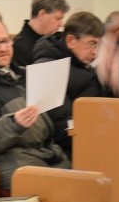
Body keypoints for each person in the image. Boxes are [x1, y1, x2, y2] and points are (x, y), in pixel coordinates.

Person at [0, 18, 69, 191]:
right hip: (10, 159)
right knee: (57, 191)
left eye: (5, 41)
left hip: (43, 150)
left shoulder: (20, 74)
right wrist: (14, 124)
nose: (3, 48)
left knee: (81, 181)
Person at [31, 10, 109, 160]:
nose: (95, 52)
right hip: (67, 153)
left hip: (90, 141)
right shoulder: (48, 69)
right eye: (91, 44)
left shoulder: (83, 64)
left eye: (98, 46)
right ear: (71, 41)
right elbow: (60, 126)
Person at [12, 0, 69, 67]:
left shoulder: (57, 39)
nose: (61, 24)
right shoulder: (19, 48)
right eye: (58, 18)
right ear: (42, 14)